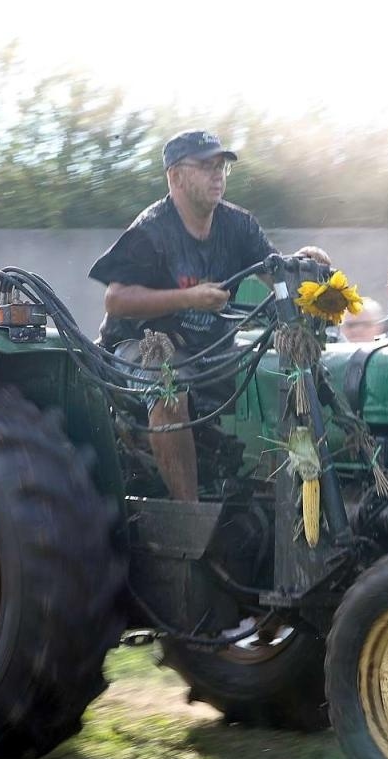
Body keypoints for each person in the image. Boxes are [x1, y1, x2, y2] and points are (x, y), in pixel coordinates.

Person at [88, 130, 276, 502]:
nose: (218, 174)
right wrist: (188, 298)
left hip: (209, 347)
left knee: (273, 371)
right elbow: (116, 299)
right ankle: (188, 513)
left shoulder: (240, 226)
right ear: (174, 177)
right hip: (139, 344)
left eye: (222, 166)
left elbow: (275, 273)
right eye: (206, 166)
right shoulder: (152, 230)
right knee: (168, 387)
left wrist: (308, 270)